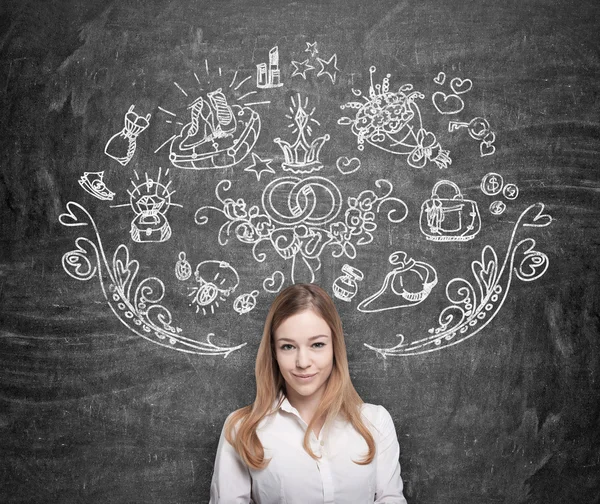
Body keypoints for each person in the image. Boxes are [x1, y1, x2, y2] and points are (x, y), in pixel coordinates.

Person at [209, 283, 408, 503]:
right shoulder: (241, 430)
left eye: (317, 345)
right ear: (273, 352)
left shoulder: (376, 422)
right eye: (288, 347)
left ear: (335, 347)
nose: (303, 362)